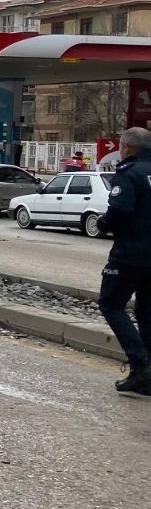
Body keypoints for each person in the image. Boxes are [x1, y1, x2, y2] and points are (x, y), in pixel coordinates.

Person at [100, 127, 151, 396]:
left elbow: (120, 209)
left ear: (128, 147)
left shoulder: (128, 173)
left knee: (110, 303)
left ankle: (141, 364)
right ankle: (146, 375)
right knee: (147, 312)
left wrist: (104, 224)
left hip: (131, 254)